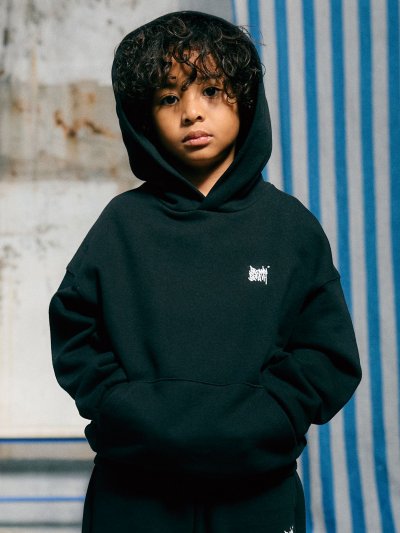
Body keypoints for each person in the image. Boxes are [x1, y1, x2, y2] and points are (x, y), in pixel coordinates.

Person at [48, 10, 362, 533]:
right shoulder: (121, 225)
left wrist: (274, 415)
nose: (192, 112)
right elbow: (74, 331)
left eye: (211, 91)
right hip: (133, 495)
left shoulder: (290, 228)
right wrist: (119, 408)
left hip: (257, 494)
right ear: (143, 117)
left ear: (246, 99)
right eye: (169, 98)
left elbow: (327, 353)